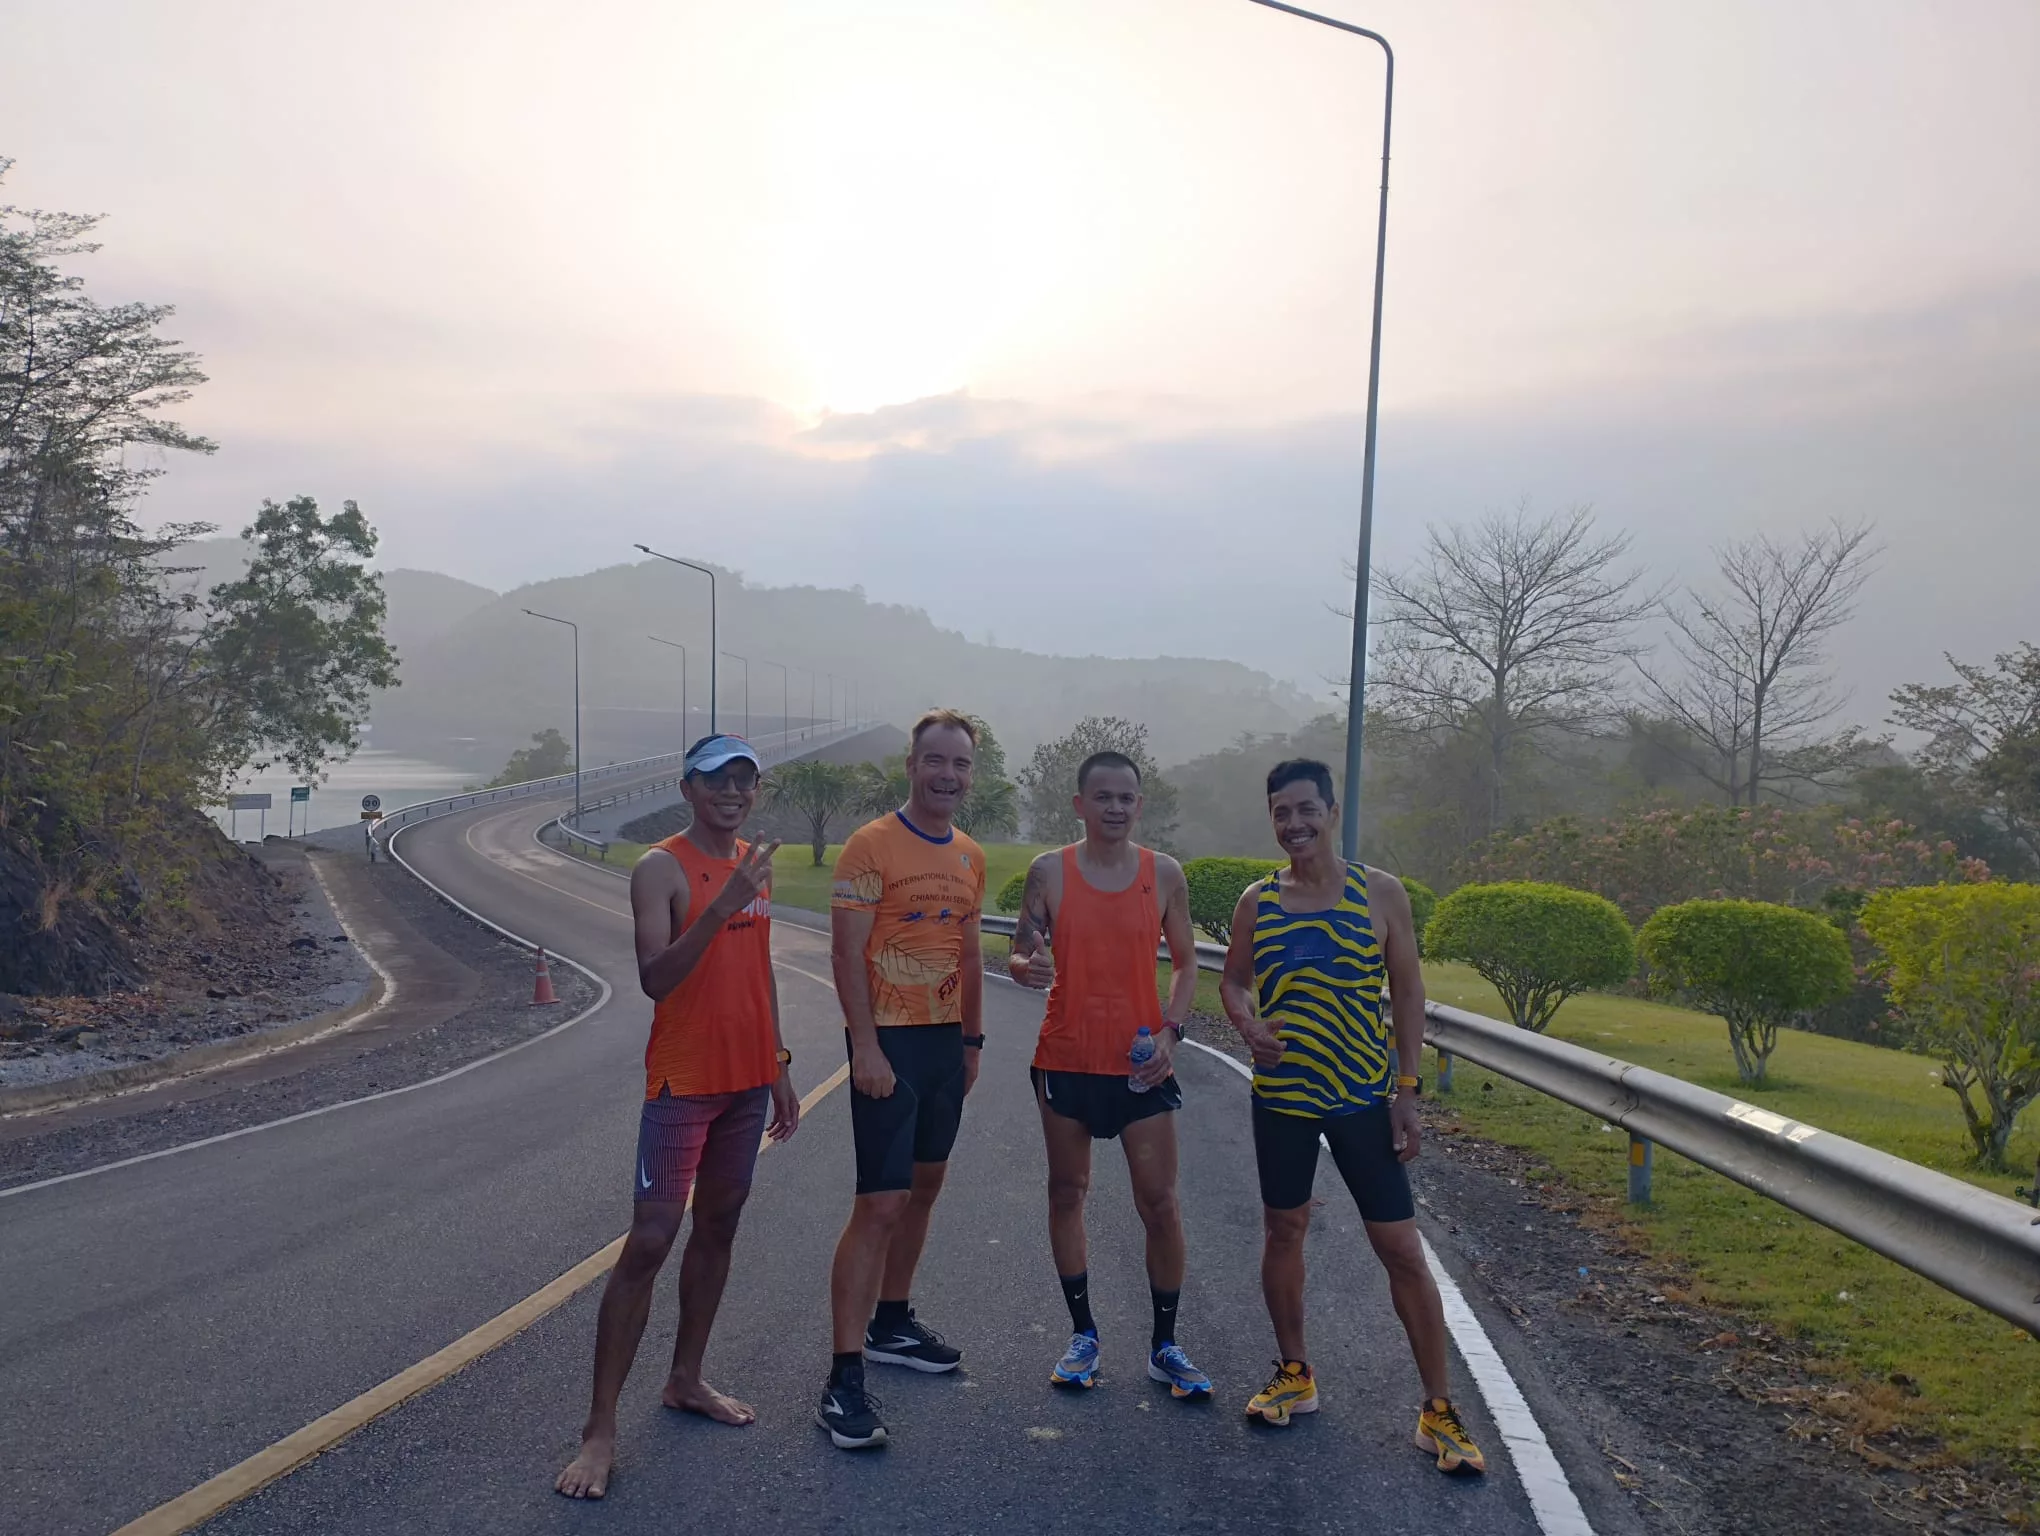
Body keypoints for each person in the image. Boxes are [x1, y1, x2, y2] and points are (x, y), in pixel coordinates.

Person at [1217, 757, 1486, 1477]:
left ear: (1332, 811)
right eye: (1281, 812)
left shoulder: (1381, 893)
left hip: (1362, 1097)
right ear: (1271, 819)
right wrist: (1246, 1025)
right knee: (1285, 1227)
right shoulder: (1257, 902)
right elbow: (1234, 983)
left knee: (1400, 1247)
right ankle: (1294, 1373)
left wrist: (1407, 1091)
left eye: (1307, 809)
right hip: (1282, 1099)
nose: (1294, 824)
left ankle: (1438, 1410)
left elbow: (1407, 994)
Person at [556, 734, 799, 1500]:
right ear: (687, 787)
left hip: (746, 1082)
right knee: (652, 1238)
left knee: (720, 1226)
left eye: (744, 779)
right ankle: (600, 1428)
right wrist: (721, 905)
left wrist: (781, 1065)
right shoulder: (660, 866)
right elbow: (657, 977)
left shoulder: (753, 863)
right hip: (683, 1081)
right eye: (717, 778)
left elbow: (757, 968)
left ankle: (687, 1378)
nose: (733, 791)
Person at [1008, 750, 1211, 1400]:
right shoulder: (1048, 873)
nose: (1115, 808)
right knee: (1067, 1193)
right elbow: (1022, 949)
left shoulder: (1164, 874)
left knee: (1161, 1203)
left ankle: (1165, 1345)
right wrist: (1023, 968)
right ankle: (1083, 1337)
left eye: (1127, 798)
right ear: (1079, 805)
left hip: (1140, 1068)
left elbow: (1185, 964)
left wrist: (1172, 1032)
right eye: (1103, 797)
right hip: (1066, 1060)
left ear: (1139, 805)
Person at [816, 708, 987, 1451]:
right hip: (887, 1044)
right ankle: (843, 1376)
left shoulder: (971, 856)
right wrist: (865, 1048)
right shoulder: (870, 845)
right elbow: (846, 954)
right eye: (935, 761)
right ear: (912, 766)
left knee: (923, 1191)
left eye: (960, 764)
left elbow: (971, 954)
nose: (947, 775)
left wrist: (972, 1042)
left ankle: (893, 1323)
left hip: (945, 1047)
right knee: (879, 1203)